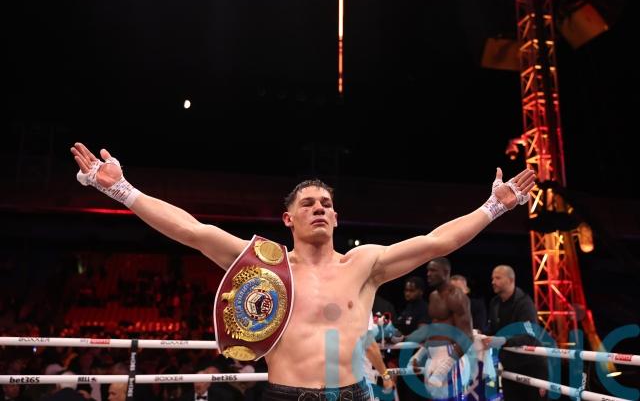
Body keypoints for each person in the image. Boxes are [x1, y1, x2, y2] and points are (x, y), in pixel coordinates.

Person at [70, 142, 534, 401]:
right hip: (283, 394)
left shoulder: (364, 265)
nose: (319, 208)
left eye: (326, 204)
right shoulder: (263, 264)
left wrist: (494, 206)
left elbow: (438, 242)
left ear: (336, 218)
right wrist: (123, 190)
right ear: (288, 218)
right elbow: (192, 230)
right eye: (308, 203)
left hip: (351, 394)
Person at [408, 257, 474, 400]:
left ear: (445, 272)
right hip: (432, 357)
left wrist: (444, 369)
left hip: (451, 357)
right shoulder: (433, 296)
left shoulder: (456, 297)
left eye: (433, 270)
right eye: (428, 270)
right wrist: (419, 355)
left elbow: (467, 337)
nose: (428, 274)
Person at [484, 265, 547, 401]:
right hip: (510, 367)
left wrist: (504, 340)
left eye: (498, 278)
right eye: (492, 278)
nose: (493, 282)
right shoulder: (495, 303)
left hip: (531, 367)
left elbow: (530, 336)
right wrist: (480, 334)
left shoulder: (524, 303)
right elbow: (492, 330)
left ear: (511, 280)